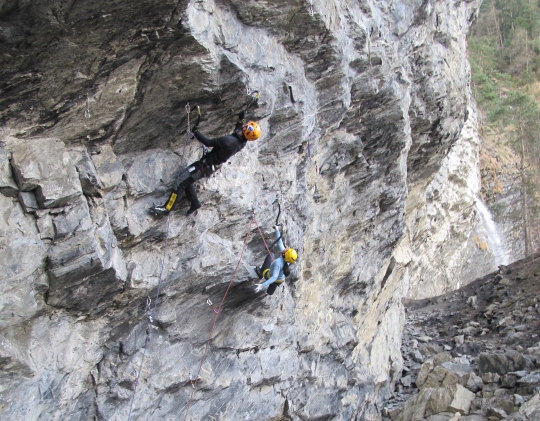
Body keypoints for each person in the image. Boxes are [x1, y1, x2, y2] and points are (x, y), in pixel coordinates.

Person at [150, 112, 261, 216]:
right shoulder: (241, 142)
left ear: (246, 132)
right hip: (208, 167)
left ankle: (167, 209)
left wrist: (196, 132)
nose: (246, 125)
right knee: (186, 179)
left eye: (248, 126)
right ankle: (195, 203)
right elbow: (238, 131)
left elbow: (208, 142)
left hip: (202, 167)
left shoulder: (228, 141)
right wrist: (240, 120)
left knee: (180, 182)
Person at [254, 225, 298, 295]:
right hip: (280, 280)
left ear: (285, 254)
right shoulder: (288, 260)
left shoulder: (278, 263)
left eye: (287, 250)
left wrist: (262, 285)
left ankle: (261, 273)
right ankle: (271, 290)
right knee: (274, 283)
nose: (287, 248)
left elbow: (274, 277)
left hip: (270, 276)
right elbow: (280, 243)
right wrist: (277, 230)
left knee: (271, 255)